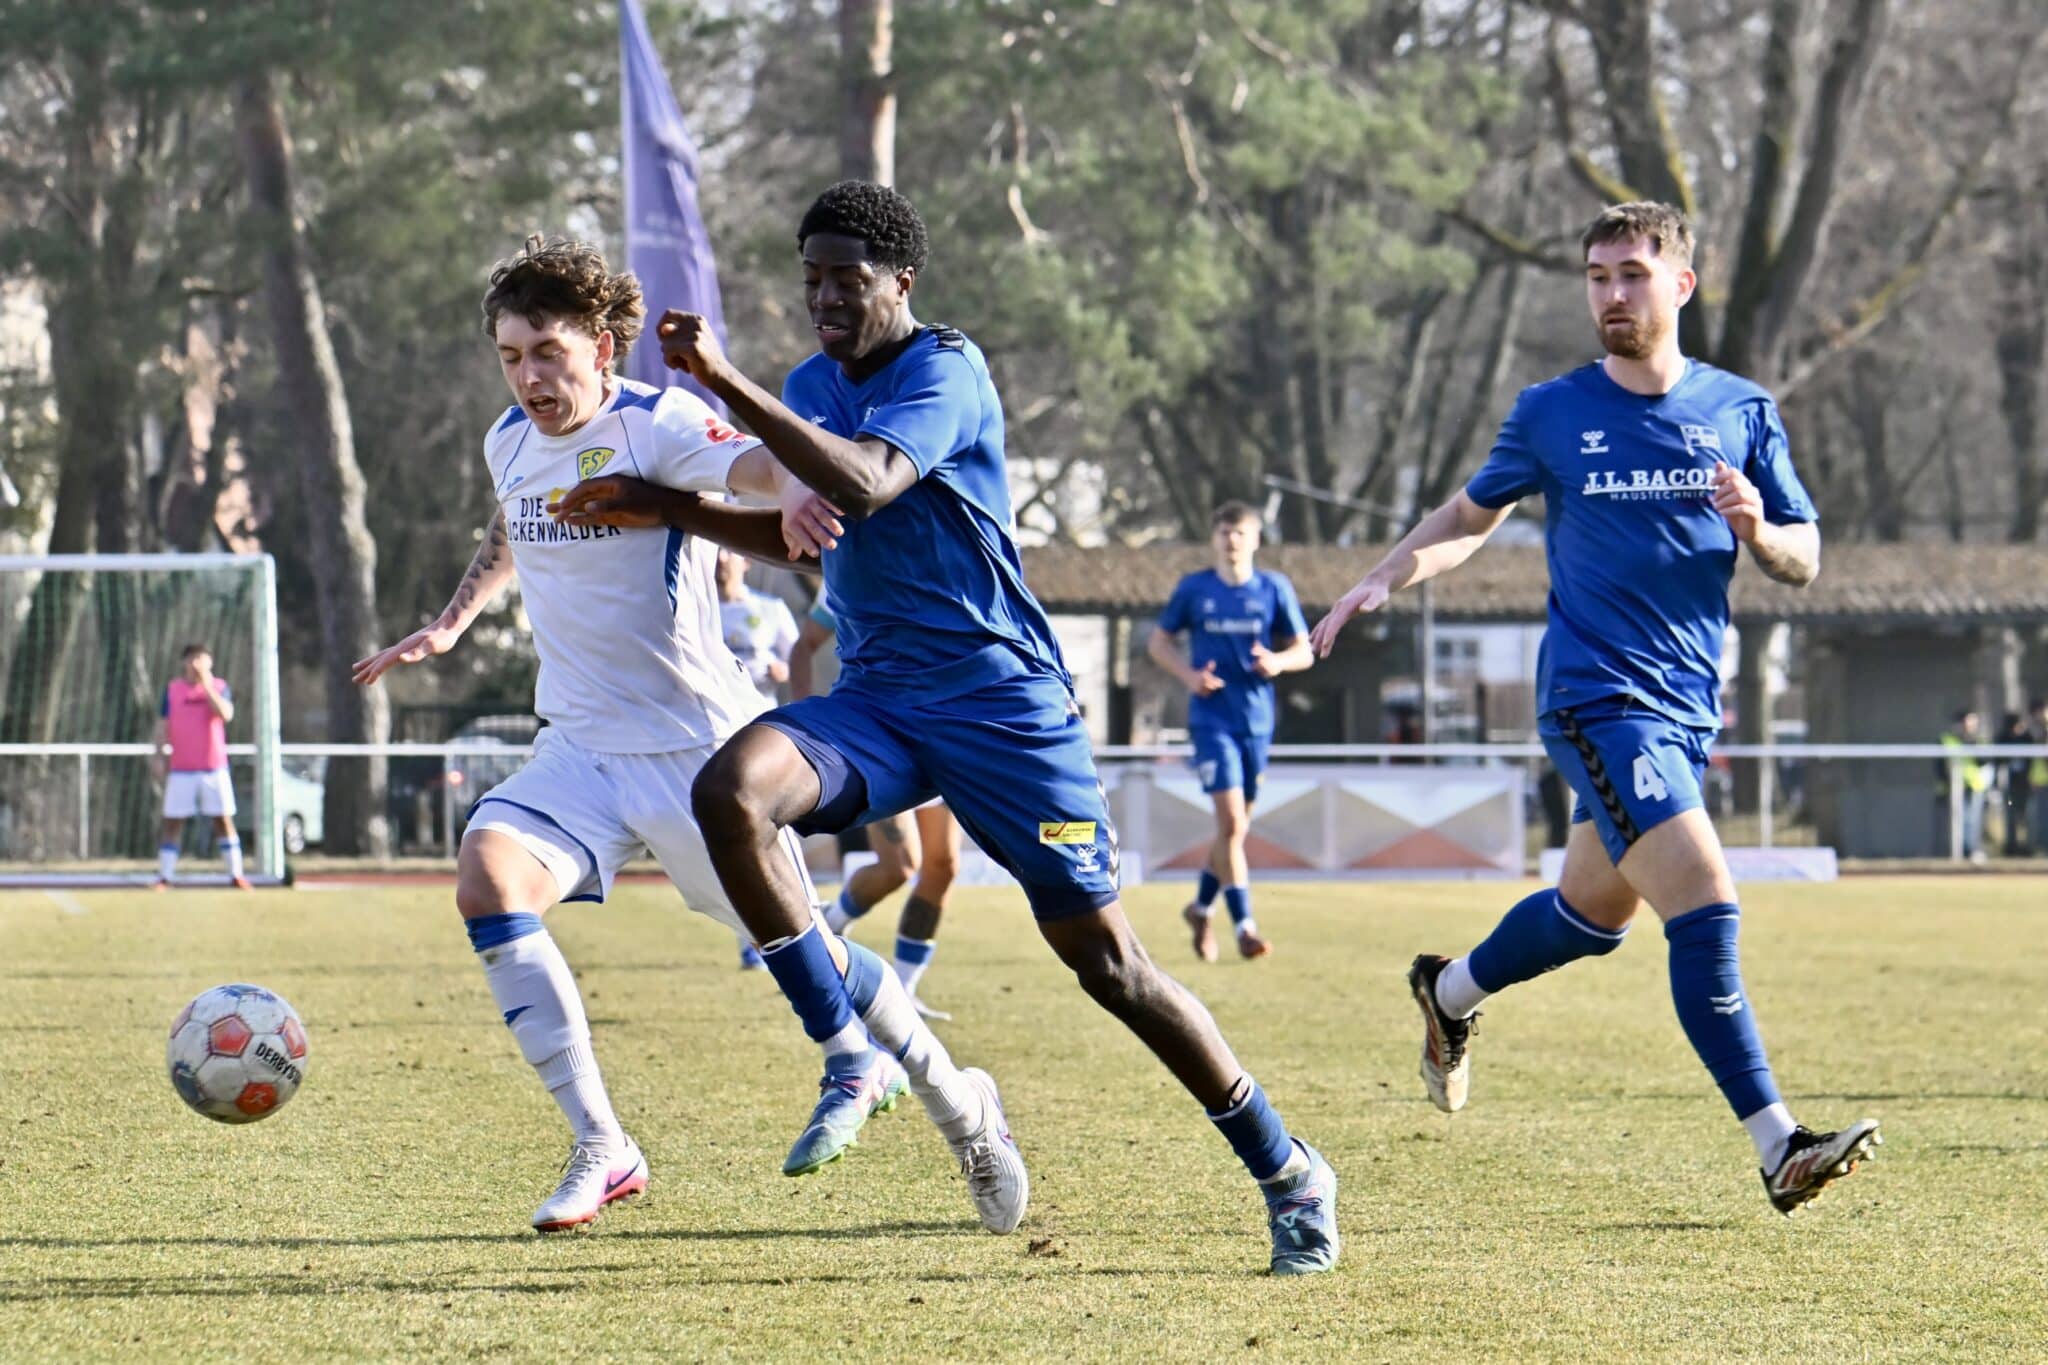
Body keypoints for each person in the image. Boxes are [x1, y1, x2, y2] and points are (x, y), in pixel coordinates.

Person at [555, 181, 1337, 1273]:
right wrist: (673, 507)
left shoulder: (944, 371)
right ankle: (848, 1052)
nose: (826, 297)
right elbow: (816, 537)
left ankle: (1286, 1168)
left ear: (901, 282)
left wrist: (721, 379)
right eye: (812, 278)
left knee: (1109, 968)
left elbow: (868, 483)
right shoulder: (808, 385)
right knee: (731, 794)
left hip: (1002, 705)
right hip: (878, 701)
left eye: (848, 278)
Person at [353, 234, 1000, 1235]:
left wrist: (792, 496)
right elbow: (509, 526)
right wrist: (454, 615)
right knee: (486, 875)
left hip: (698, 758)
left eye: (548, 354)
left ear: (602, 348)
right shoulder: (508, 440)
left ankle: (957, 1102)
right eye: (512, 357)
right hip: (574, 750)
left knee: (818, 957)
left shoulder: (655, 421)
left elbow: (748, 466)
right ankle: (602, 1146)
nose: (530, 376)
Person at [1312, 201, 1878, 1217]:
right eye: (1595, 276)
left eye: (1629, 274)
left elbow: (1805, 556)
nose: (1609, 294)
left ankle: (1446, 995)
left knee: (1592, 917)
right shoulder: (1551, 411)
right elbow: (1465, 517)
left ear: (1680, 286)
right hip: (1593, 700)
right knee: (1704, 902)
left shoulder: (1740, 411)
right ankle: (1775, 1145)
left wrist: (1760, 532)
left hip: (1681, 711)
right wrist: (1380, 579)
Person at [1147, 501, 1313, 961]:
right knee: (1233, 824)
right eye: (1223, 531)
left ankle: (1200, 909)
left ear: (1256, 539)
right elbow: (1159, 643)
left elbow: (1305, 650)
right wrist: (1189, 677)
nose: (1231, 539)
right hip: (1211, 721)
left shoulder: (1273, 589)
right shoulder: (1195, 589)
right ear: (1213, 539)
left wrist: (1277, 662)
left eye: (1240, 532)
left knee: (1232, 834)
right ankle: (1245, 927)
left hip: (1256, 724)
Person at [804, 590, 965, 1019]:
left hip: (945, 733)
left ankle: (905, 992)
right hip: (882, 736)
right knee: (900, 865)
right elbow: (805, 644)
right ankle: (832, 924)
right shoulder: (853, 565)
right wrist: (803, 716)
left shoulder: (954, 557)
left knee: (943, 867)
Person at [716, 549, 800, 970]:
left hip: (763, 733)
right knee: (735, 836)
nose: (719, 560)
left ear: (746, 561)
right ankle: (753, 937)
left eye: (726, 552)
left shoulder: (769, 609)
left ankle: (795, 924)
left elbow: (797, 656)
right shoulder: (695, 611)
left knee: (774, 829)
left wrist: (782, 671)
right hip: (714, 734)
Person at [153, 642, 249, 890]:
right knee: (173, 822)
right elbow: (162, 725)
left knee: (222, 820)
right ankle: (165, 876)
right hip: (182, 768)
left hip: (213, 768)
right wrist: (159, 754)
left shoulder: (219, 687)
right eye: (191, 659)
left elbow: (226, 714)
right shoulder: (173, 690)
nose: (196, 664)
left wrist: (207, 687)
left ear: (210, 662)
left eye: (201, 658)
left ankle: (235, 874)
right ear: (184, 663)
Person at [1937, 708, 1990, 863]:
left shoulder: (1977, 740)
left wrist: (1971, 743)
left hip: (1973, 786)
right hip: (1953, 787)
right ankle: (1957, 853)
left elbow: (1984, 761)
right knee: (1957, 821)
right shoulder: (1946, 739)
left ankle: (1971, 851)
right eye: (1968, 722)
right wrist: (1946, 782)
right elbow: (1939, 765)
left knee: (1972, 821)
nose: (1971, 725)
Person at [1998, 710, 2032, 858]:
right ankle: (2011, 846)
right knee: (2010, 815)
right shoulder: (2002, 738)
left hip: (2026, 784)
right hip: (2009, 785)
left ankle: (2026, 846)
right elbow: (1998, 762)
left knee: (2026, 816)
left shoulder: (2027, 737)